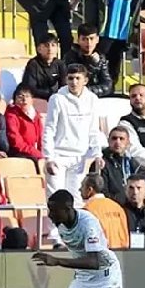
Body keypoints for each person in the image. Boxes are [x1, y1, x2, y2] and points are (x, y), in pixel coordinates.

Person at [43, 65, 103, 238]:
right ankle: (55, 234)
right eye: (70, 78)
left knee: (75, 198)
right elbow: (49, 129)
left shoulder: (92, 99)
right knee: (55, 196)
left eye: (78, 78)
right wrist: (48, 157)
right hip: (59, 155)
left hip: (80, 157)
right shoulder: (57, 98)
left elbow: (94, 130)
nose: (74, 82)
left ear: (85, 80)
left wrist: (97, 153)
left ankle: (74, 233)